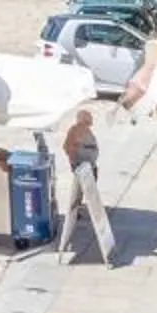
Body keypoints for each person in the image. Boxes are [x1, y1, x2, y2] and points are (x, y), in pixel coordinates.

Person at [61, 108, 115, 265]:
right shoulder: (76, 130)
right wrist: (75, 162)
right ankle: (76, 211)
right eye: (89, 119)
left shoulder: (83, 130)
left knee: (84, 192)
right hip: (83, 167)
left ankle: (78, 209)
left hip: (88, 165)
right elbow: (68, 147)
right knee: (80, 192)